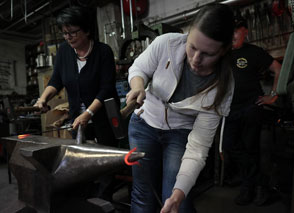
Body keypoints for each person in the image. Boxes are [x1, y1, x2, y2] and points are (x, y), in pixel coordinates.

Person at [125, 3, 235, 213]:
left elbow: (198, 149)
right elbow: (138, 68)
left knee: (178, 202)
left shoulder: (222, 87)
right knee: (143, 194)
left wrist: (177, 196)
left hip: (181, 132)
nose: (196, 60)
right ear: (187, 32)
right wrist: (138, 86)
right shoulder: (166, 43)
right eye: (192, 47)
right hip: (144, 124)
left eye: (207, 54)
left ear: (223, 50)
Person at [34, 6, 119, 146]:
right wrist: (42, 99)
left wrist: (88, 114)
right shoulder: (64, 51)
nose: (68, 37)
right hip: (77, 121)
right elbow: (56, 80)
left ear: (86, 30)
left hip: (104, 120)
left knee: (106, 160)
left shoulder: (103, 52)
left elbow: (106, 89)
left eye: (72, 32)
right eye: (65, 33)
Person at [222, 17, 281, 206]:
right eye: (230, 32)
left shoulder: (254, 52)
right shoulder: (223, 54)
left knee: (250, 148)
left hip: (251, 107)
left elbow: (278, 69)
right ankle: (261, 184)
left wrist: (273, 95)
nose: (233, 36)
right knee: (230, 146)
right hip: (229, 109)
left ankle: (251, 190)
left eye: (237, 31)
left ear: (245, 31)